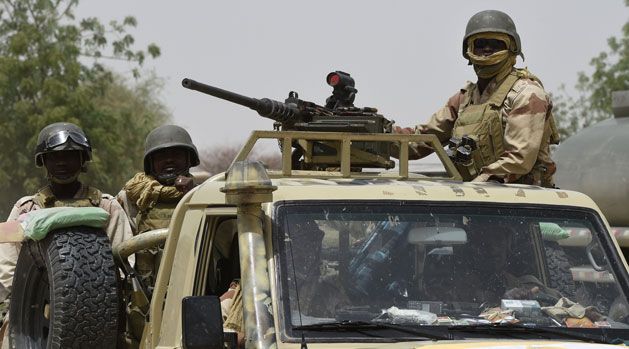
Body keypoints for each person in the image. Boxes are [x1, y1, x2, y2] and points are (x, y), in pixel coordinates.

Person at [395, 10, 559, 187]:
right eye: (480, 44)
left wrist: (474, 187)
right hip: (475, 200)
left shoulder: (527, 94)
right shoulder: (465, 100)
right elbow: (420, 142)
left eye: (495, 44)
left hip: (524, 202)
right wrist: (375, 133)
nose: (487, 49)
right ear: (468, 51)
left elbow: (519, 159)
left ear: (512, 49)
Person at [0, 122, 133, 315]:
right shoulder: (27, 208)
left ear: (82, 160)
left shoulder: (106, 206)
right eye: (55, 157)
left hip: (96, 309)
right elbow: (7, 267)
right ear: (44, 162)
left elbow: (124, 261)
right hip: (35, 312)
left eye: (70, 156)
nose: (62, 162)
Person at [117, 124, 199, 286]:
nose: (169, 160)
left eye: (176, 154)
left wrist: (191, 195)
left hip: (193, 288)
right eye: (161, 156)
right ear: (151, 163)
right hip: (144, 292)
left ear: (189, 160)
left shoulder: (201, 196)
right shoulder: (132, 197)